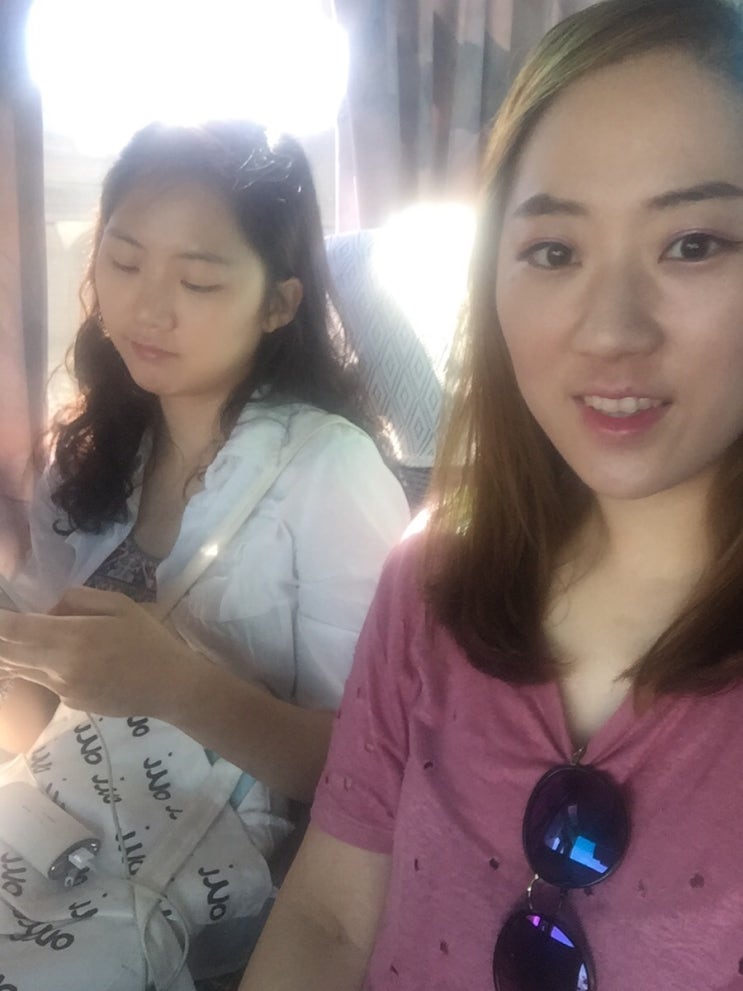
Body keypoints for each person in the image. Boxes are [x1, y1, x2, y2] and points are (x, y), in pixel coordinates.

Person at [238, 1, 743, 989]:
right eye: (553, 251)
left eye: (692, 243)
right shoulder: (432, 575)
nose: (610, 329)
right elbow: (329, 918)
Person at [0, 120, 409, 988]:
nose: (148, 309)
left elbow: (370, 772)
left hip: (220, 900)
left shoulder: (328, 472)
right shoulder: (82, 454)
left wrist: (176, 686)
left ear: (278, 304)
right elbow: (38, 714)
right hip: (53, 840)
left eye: (197, 280)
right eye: (123, 261)